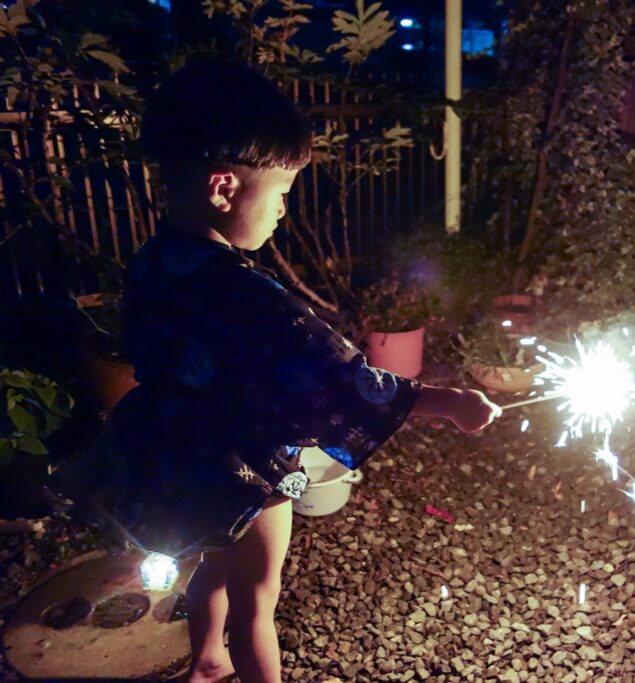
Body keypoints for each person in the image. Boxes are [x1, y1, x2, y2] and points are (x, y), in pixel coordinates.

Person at [58, 60, 501, 683]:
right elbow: (335, 375)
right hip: (247, 469)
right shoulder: (245, 291)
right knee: (256, 602)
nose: (284, 212)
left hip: (180, 456)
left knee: (212, 564)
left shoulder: (154, 259)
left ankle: (206, 663)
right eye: (283, 193)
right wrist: (444, 402)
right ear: (225, 188)